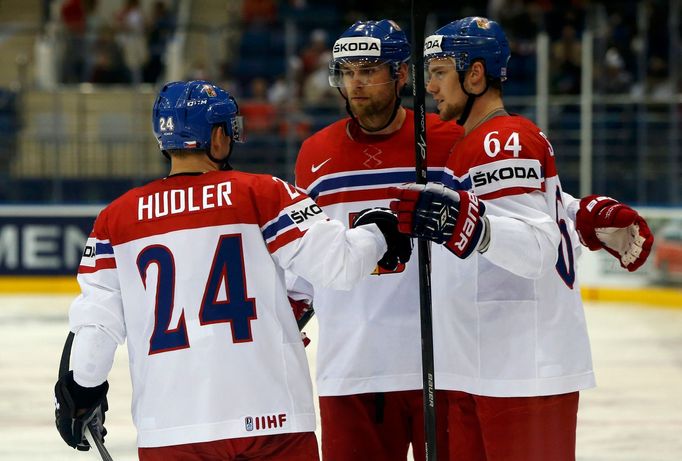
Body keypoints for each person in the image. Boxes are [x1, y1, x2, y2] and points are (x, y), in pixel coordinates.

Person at [53, 80, 411, 461]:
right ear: (219, 136)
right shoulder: (263, 193)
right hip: (273, 420)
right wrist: (378, 232)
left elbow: (96, 325)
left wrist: (82, 390)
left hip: (172, 426)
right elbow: (339, 265)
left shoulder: (115, 219)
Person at [389, 16, 653, 461]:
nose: (429, 87)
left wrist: (468, 225)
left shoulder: (503, 139)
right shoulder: (478, 141)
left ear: (475, 73)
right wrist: (573, 210)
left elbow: (534, 247)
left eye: (437, 72)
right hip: (483, 363)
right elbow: (525, 213)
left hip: (522, 368)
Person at [293, 19, 461, 461]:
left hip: (442, 366)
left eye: (368, 70)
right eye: (347, 72)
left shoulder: (448, 139)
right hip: (350, 369)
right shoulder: (316, 153)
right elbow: (308, 256)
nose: (356, 83)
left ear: (401, 74)